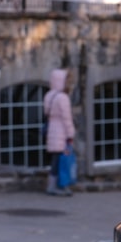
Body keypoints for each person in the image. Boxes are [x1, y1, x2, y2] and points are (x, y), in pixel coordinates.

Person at [43, 68, 76, 196]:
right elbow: (66, 118)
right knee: (62, 161)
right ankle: (59, 186)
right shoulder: (62, 98)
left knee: (56, 160)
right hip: (61, 132)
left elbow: (47, 113)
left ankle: (53, 185)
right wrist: (70, 134)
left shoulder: (49, 95)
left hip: (52, 130)